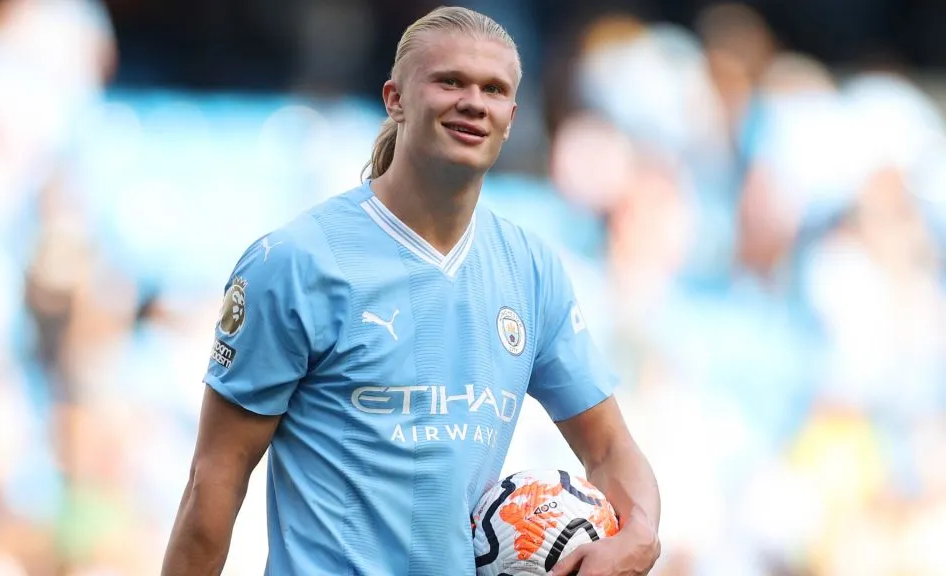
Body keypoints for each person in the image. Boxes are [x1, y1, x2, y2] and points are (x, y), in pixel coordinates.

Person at [161, 6, 660, 576]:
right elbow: (212, 488)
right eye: (450, 81)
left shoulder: (532, 269)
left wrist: (640, 533)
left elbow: (611, 448)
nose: (473, 101)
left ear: (512, 116)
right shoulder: (296, 264)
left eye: (493, 89)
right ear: (395, 99)